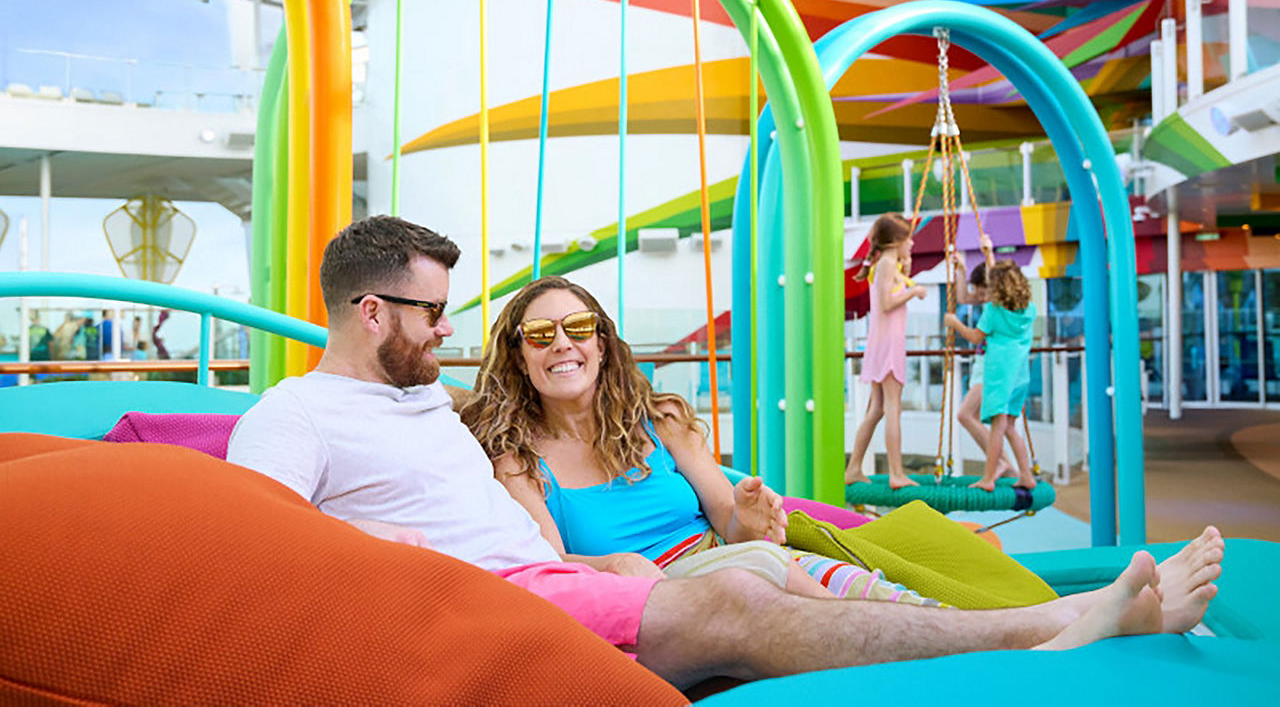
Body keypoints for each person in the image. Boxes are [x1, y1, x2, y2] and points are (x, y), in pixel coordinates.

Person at [226, 215, 1222, 689]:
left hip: (559, 579)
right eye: (433, 312)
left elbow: (516, 464)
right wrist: (422, 558)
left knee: (770, 562)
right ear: (370, 311)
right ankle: (1051, 630)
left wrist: (600, 554)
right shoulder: (294, 414)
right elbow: (246, 545)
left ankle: (1054, 618)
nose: (446, 329)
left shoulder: (429, 408)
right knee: (742, 592)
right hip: (500, 603)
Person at [463, 275, 938, 605]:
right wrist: (616, 565)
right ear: (519, 356)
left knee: (893, 600)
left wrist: (746, 517)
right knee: (766, 573)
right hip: (666, 595)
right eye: (541, 334)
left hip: (738, 558)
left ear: (602, 345)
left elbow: (731, 527)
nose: (563, 343)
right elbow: (549, 562)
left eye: (579, 328)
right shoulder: (519, 461)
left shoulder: (661, 420)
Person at [845, 213, 928, 489]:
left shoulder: (888, 263)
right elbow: (886, 303)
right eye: (908, 238)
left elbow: (890, 291)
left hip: (882, 341)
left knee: (878, 408)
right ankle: (896, 473)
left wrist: (908, 272)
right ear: (895, 241)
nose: (913, 243)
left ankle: (854, 467)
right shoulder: (886, 264)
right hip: (889, 343)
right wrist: (914, 292)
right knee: (892, 408)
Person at [945, 260, 1037, 492]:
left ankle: (988, 478)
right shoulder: (1029, 309)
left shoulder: (993, 311)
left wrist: (955, 323)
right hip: (1020, 375)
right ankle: (1026, 475)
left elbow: (976, 337)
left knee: (998, 426)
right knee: (1009, 427)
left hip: (999, 373)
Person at [950, 239, 1014, 478]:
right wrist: (961, 270)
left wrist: (989, 255)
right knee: (972, 417)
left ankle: (1002, 462)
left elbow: (995, 282)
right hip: (984, 363)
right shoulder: (987, 303)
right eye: (978, 291)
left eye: (983, 291)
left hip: (992, 366)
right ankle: (1003, 463)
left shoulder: (999, 303)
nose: (979, 297)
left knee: (965, 415)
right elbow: (963, 298)